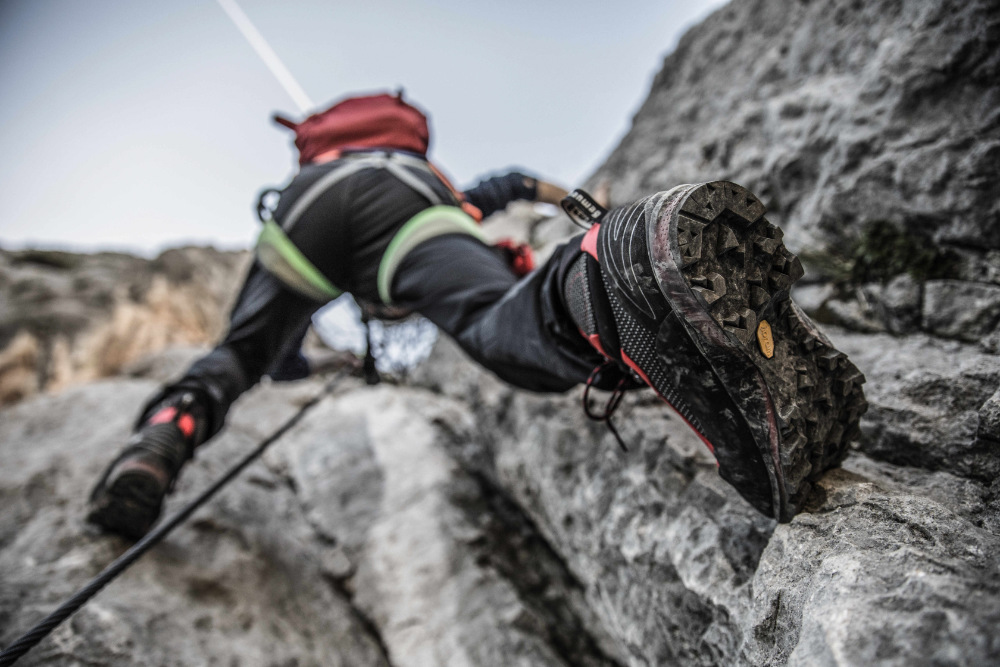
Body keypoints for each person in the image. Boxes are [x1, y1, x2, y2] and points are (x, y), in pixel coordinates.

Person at [87, 92, 866, 538]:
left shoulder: (320, 170)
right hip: (409, 205)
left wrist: (302, 361)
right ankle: (600, 272)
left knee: (236, 356)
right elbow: (511, 180)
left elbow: (273, 357)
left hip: (300, 216)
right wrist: (565, 202)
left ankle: (159, 445)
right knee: (501, 316)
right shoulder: (426, 176)